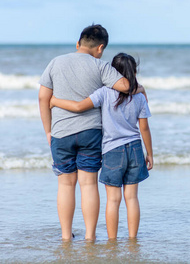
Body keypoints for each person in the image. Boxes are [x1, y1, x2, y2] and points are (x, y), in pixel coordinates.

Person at [38, 24, 139, 241]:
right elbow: (126, 86)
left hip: (61, 131)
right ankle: (90, 236)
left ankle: (66, 236)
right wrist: (140, 89)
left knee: (65, 184)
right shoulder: (100, 66)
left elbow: (42, 98)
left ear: (78, 43)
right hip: (90, 133)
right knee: (88, 184)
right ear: (100, 48)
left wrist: (48, 131)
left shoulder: (55, 62)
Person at [50, 53, 153, 239]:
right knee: (132, 198)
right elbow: (144, 128)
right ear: (134, 72)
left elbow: (79, 107)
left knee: (113, 200)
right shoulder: (139, 97)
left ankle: (112, 240)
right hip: (136, 149)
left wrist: (55, 101)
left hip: (112, 150)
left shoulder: (104, 93)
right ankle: (132, 239)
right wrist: (150, 154)